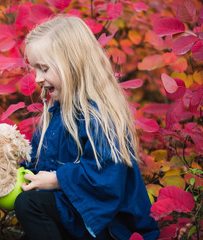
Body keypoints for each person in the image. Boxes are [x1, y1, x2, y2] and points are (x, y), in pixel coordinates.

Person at [14, 16, 160, 240]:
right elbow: (36, 162)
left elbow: (105, 177)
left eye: (43, 69)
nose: (37, 79)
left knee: (31, 205)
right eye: (34, 70)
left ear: (73, 65)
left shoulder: (98, 116)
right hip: (75, 213)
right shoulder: (56, 114)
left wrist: (56, 180)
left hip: (110, 225)